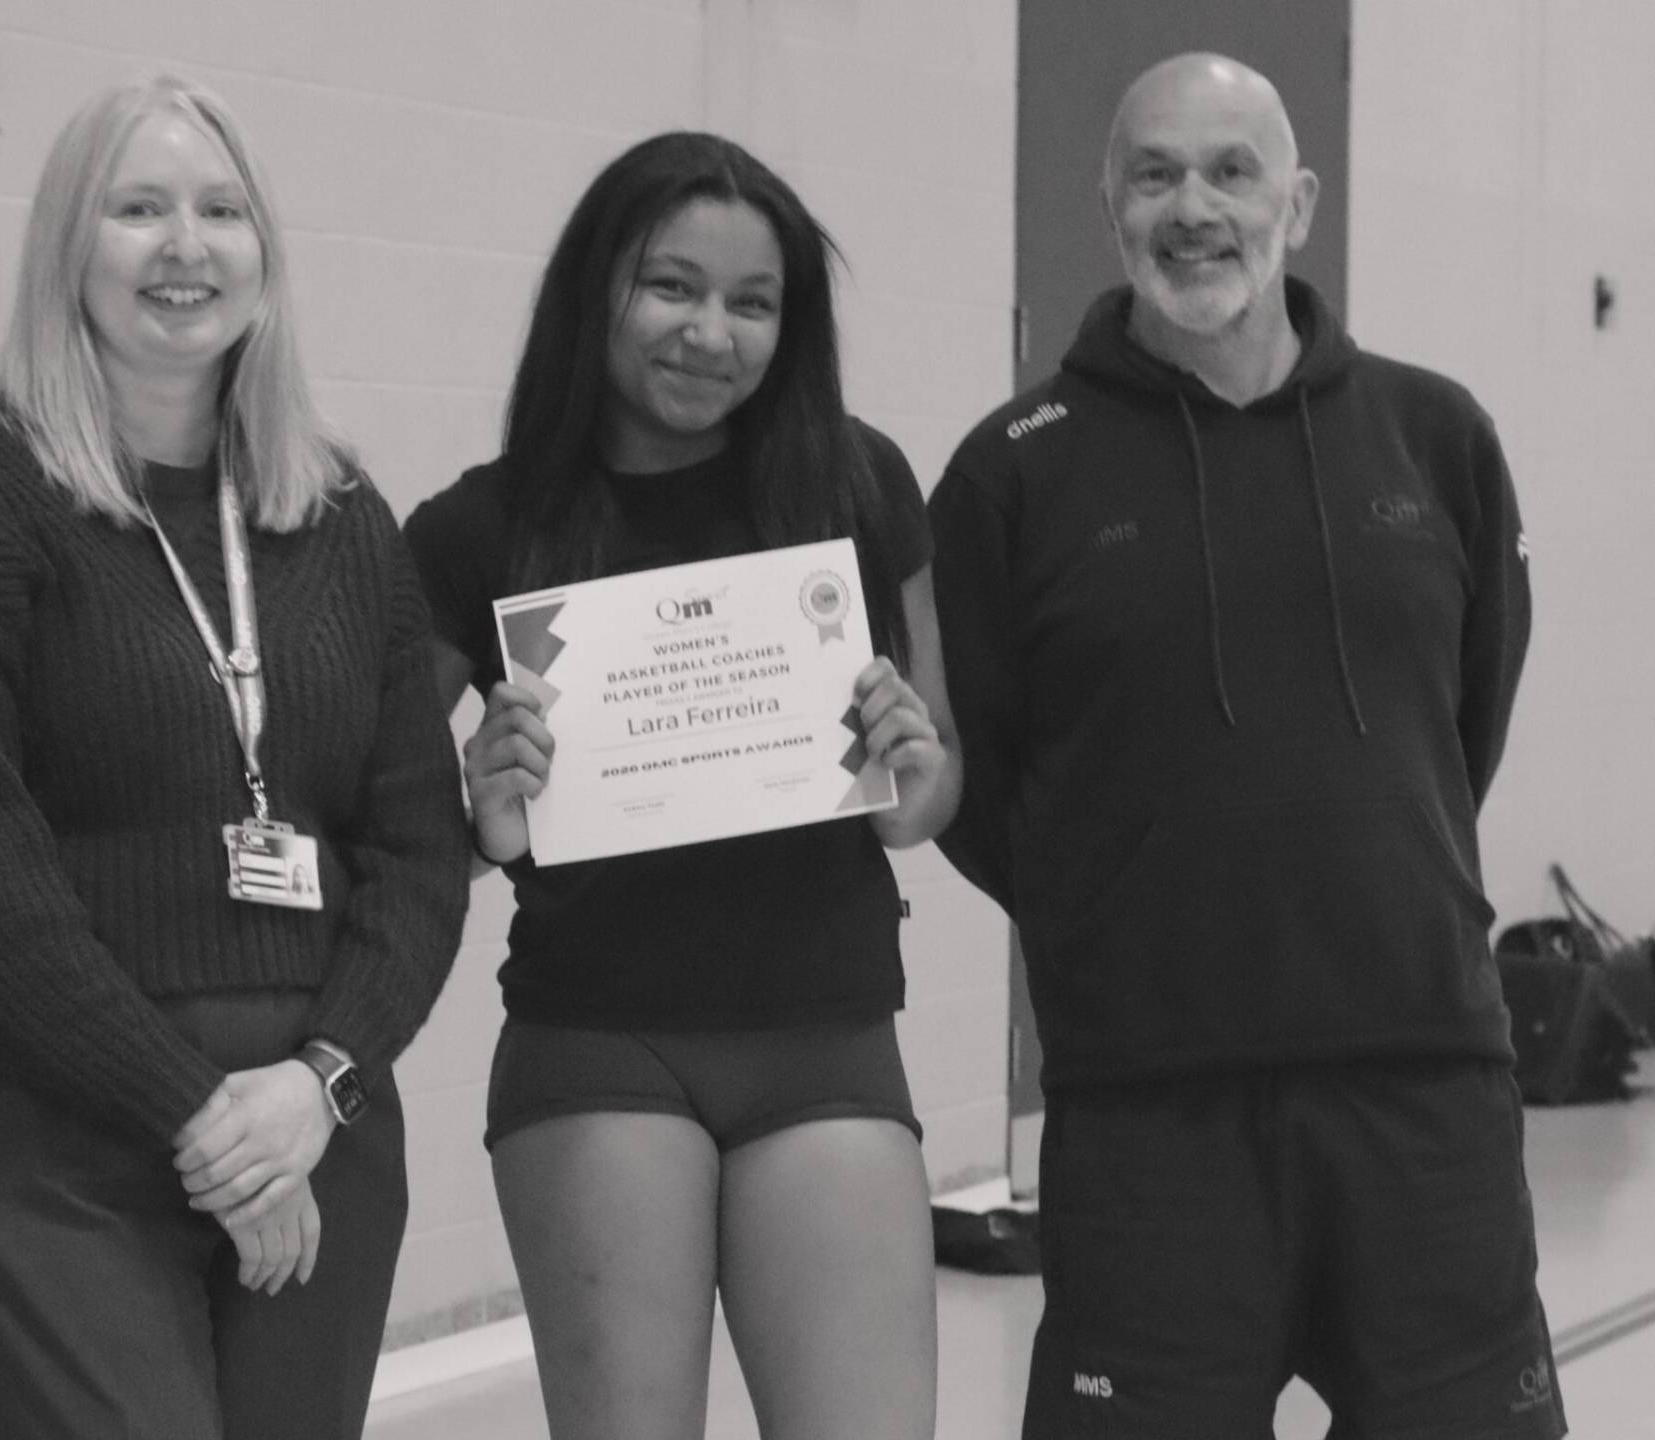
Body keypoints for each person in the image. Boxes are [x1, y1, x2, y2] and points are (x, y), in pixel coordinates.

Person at [931, 52, 1563, 1439]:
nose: (1194, 207)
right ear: (1111, 206)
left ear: (1303, 199)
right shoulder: (1012, 471)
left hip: (1424, 1092)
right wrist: (1117, 904)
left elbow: (1463, 723)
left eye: (1231, 170)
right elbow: (982, 780)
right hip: (1148, 1113)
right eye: (1154, 173)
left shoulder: (1435, 434)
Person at [0, 76, 469, 1439]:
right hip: (45, 1126)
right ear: (70, 244)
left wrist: (323, 1082)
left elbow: (417, 846)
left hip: (312, 1125)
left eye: (221, 210)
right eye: (139, 209)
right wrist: (202, 1122)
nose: (186, 246)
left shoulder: (340, 515)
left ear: (265, 254)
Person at [405, 130, 959, 1440]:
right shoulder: (473, 531)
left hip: (826, 1032)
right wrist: (477, 820)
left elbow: (931, 798)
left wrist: (910, 770)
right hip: (599, 1043)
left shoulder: (859, 484)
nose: (711, 333)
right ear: (596, 289)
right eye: (672, 287)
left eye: (752, 303)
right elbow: (385, 831)